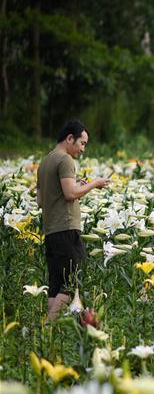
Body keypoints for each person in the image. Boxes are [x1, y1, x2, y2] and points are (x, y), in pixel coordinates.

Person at [36, 120, 110, 320]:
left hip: (51, 232)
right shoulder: (65, 160)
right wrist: (94, 184)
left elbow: (40, 201)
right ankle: (48, 327)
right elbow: (70, 194)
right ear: (70, 138)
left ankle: (48, 333)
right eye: (82, 143)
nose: (83, 149)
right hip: (66, 229)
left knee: (56, 286)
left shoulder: (45, 162)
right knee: (71, 284)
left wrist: (74, 183)